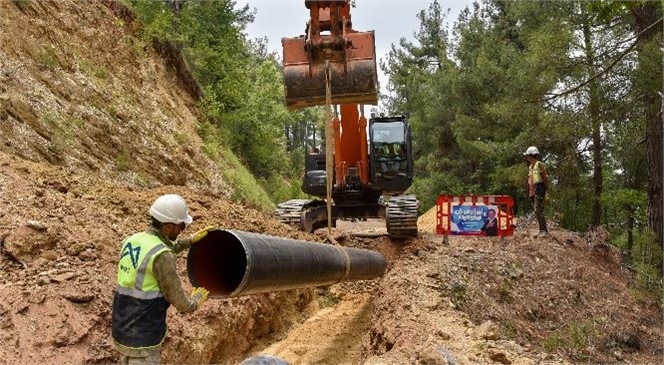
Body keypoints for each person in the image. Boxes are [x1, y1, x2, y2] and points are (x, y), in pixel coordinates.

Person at [112, 194, 215, 364]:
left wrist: (189, 241)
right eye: (181, 226)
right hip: (143, 338)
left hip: (121, 330)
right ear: (167, 226)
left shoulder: (132, 240)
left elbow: (160, 250)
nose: (183, 229)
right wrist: (197, 299)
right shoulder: (162, 255)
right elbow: (183, 305)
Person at [524, 146, 549, 237]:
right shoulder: (531, 167)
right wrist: (530, 191)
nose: (527, 158)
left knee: (537, 209)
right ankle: (541, 230)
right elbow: (530, 179)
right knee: (537, 209)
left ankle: (544, 231)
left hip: (540, 187)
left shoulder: (539, 164)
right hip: (533, 188)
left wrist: (545, 189)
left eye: (527, 156)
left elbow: (544, 178)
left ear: (530, 156)